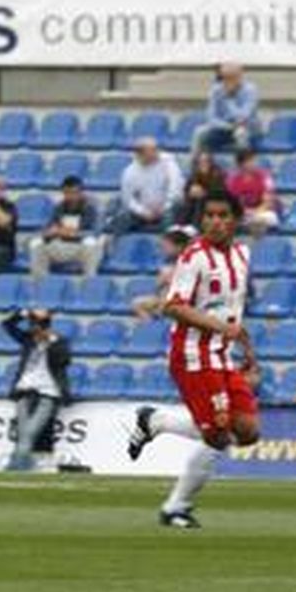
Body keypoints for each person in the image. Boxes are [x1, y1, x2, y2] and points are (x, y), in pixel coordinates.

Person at [127, 191, 261, 528]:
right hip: (192, 355)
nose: (216, 222)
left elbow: (232, 310)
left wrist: (247, 348)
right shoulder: (194, 257)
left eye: (223, 215)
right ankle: (176, 507)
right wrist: (218, 326)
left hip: (221, 355)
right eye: (210, 216)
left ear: (235, 220)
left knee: (247, 431)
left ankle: (156, 421)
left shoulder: (242, 256)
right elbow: (173, 306)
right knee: (216, 435)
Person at [2, 308, 71, 472]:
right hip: (24, 390)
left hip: (48, 392)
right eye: (32, 325)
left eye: (37, 326)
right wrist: (24, 313)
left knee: (30, 431)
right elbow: (7, 325)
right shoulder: (28, 340)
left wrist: (51, 343)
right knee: (24, 431)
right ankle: (24, 466)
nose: (34, 329)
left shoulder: (58, 341)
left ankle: (15, 467)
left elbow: (64, 361)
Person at [28, 175, 103, 277]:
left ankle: (89, 281)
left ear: (81, 193)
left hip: (81, 246)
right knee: (36, 243)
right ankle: (40, 283)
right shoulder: (59, 207)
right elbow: (48, 228)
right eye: (67, 193)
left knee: (92, 243)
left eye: (74, 193)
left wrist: (72, 233)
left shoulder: (91, 208)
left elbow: (95, 232)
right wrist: (50, 232)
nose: (71, 196)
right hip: (60, 245)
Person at [110, 136, 184, 234]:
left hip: (166, 208)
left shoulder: (168, 163)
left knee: (173, 211)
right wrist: (143, 212)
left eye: (156, 149)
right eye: (153, 150)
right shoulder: (130, 172)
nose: (157, 152)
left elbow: (175, 190)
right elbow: (128, 200)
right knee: (122, 217)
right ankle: (117, 245)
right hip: (143, 211)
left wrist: (165, 207)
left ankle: (168, 246)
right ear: (141, 154)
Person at [192, 62, 261, 154]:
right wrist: (228, 126)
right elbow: (211, 117)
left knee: (240, 133)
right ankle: (197, 166)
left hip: (248, 130)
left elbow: (243, 117)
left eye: (231, 78)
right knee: (199, 132)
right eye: (224, 78)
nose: (226, 82)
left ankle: (241, 167)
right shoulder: (216, 90)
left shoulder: (250, 90)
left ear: (239, 77)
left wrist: (229, 98)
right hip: (224, 128)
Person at [132, 224, 197, 318]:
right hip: (166, 302)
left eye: (168, 245)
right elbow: (157, 288)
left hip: (185, 304)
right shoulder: (167, 267)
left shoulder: (192, 263)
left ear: (179, 246)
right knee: (138, 303)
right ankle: (151, 328)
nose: (164, 248)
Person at [225, 148, 280, 235]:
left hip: (262, 212)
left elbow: (269, 202)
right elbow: (233, 203)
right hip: (243, 215)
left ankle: (252, 227)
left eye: (253, 160)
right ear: (241, 164)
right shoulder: (233, 180)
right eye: (249, 161)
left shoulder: (264, 176)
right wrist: (244, 212)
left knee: (271, 217)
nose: (253, 163)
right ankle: (251, 226)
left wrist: (254, 212)